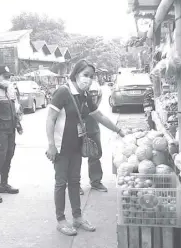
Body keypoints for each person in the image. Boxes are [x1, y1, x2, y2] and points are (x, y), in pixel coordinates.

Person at [46, 59, 125, 236]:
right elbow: (50, 119)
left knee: (74, 182)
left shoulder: (84, 94)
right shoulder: (63, 92)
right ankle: (61, 220)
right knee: (61, 182)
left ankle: (77, 217)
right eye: (85, 75)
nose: (88, 79)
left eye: (90, 76)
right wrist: (51, 145)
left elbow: (99, 116)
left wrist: (119, 130)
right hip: (61, 146)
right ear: (75, 74)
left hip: (77, 145)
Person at [0, 65, 23, 203]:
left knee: (9, 156)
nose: (7, 79)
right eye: (5, 77)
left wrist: (18, 125)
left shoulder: (9, 90)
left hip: (10, 130)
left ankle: (4, 184)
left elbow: (14, 111)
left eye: (9, 77)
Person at [79, 80, 108, 195]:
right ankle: (74, 184)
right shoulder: (71, 89)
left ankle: (95, 181)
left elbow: (97, 102)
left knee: (95, 154)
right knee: (75, 157)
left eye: (90, 75)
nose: (87, 78)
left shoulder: (94, 85)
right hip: (77, 126)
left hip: (93, 124)